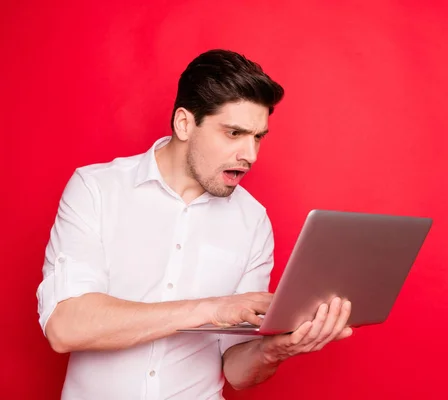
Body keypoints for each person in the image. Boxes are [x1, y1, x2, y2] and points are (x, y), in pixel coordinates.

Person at [35, 49, 353, 399]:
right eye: (234, 133)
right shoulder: (96, 189)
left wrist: (277, 349)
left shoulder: (253, 221)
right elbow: (66, 327)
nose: (251, 154)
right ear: (185, 124)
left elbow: (236, 369)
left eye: (258, 136)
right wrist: (210, 309)